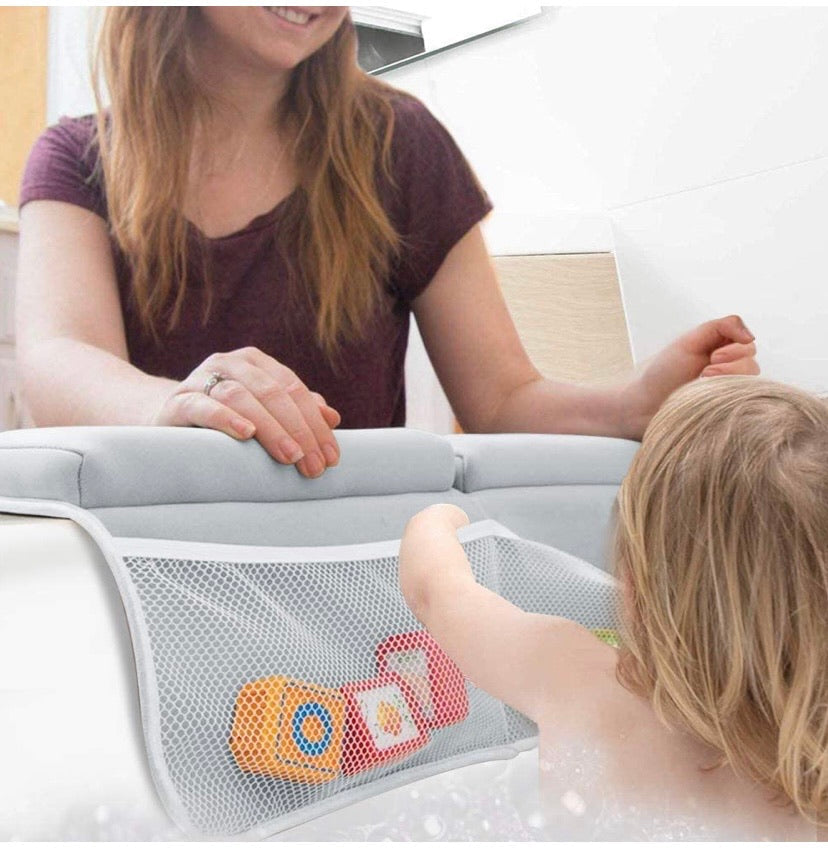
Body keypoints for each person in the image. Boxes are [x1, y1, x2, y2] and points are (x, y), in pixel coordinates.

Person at [16, 7, 758, 481]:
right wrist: (179, 403)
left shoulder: (401, 145)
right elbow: (58, 360)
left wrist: (634, 404)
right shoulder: (75, 159)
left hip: (356, 570)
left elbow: (503, 399)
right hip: (148, 563)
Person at [399, 376, 828, 840]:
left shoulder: (574, 676)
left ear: (636, 584)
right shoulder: (813, 773)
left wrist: (436, 517)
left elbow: (435, 592)